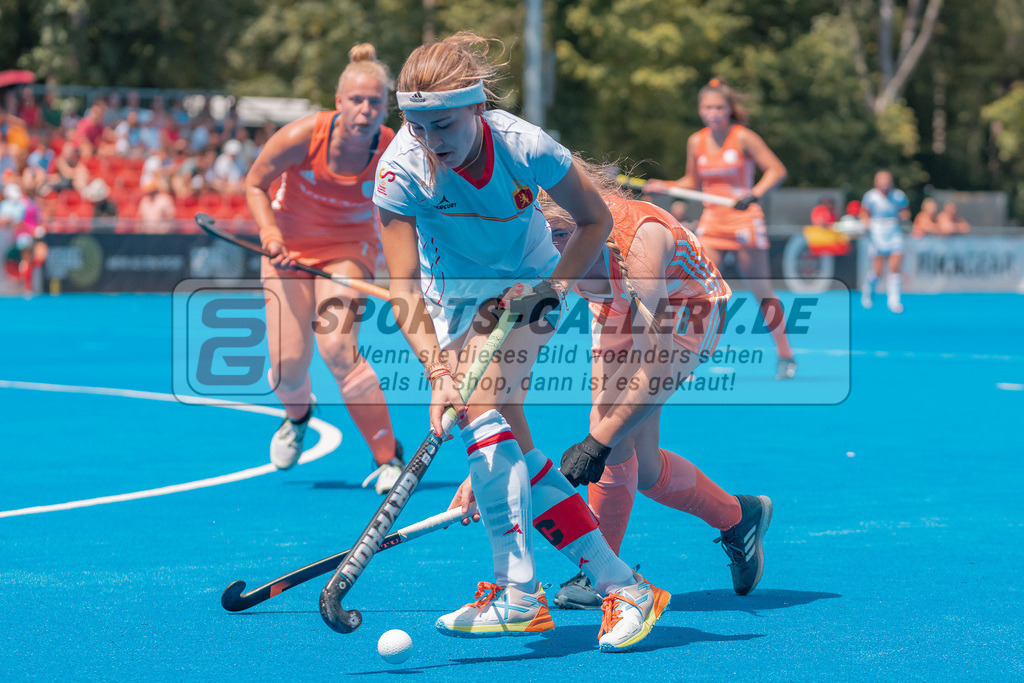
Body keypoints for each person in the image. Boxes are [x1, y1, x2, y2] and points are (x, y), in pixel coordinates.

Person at [375, 31, 669, 651]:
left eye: (444, 126)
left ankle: (517, 593)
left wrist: (554, 288)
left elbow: (594, 221)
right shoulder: (400, 170)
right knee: (516, 455)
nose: (430, 143)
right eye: (416, 126)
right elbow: (401, 286)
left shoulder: (522, 145)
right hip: (452, 299)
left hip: (529, 283)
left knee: (479, 413)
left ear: (477, 107)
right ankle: (624, 585)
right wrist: (437, 370)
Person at [244, 44, 404, 494]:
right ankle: (297, 417)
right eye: (357, 100)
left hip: (349, 250)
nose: (366, 109)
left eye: (375, 101)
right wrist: (270, 235)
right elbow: (256, 184)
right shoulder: (303, 135)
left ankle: (389, 458)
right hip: (287, 251)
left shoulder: (393, 147)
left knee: (337, 349)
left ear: (384, 106)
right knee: (285, 368)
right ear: (339, 102)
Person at [644, 79, 796, 380]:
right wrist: (666, 185)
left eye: (719, 107)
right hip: (712, 222)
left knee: (761, 291)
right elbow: (692, 182)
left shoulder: (743, 138)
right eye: (707, 108)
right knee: (695, 287)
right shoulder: (695, 141)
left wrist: (754, 194)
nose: (713, 113)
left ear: (729, 110)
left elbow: (777, 170)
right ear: (700, 110)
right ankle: (683, 355)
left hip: (743, 220)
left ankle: (785, 355)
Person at [859, 170, 910, 313]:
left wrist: (904, 216)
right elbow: (864, 213)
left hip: (894, 231)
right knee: (878, 271)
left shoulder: (898, 196)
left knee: (894, 267)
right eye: (881, 180)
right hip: (877, 233)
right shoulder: (870, 196)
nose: (884, 183)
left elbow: (905, 211)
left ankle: (894, 300)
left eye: (886, 180)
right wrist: (866, 222)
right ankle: (868, 291)